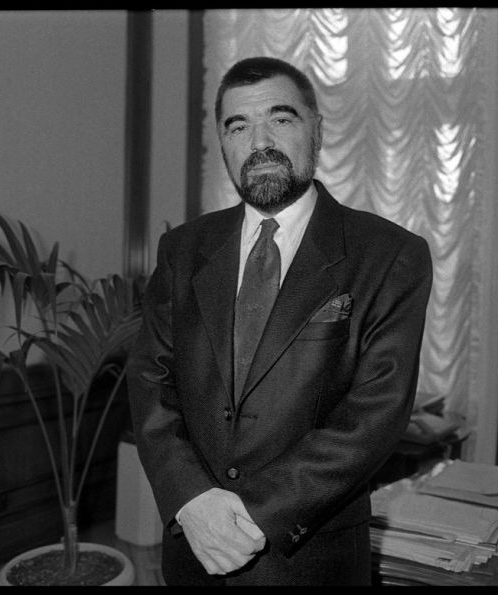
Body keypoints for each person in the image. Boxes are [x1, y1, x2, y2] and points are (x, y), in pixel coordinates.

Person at [126, 56, 433, 586]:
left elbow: (375, 414)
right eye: (238, 126)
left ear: (317, 129)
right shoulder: (183, 249)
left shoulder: (390, 254)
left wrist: (249, 517)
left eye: (281, 118)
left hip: (311, 561)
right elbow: (150, 379)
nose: (259, 141)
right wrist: (191, 500)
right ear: (222, 143)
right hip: (193, 550)